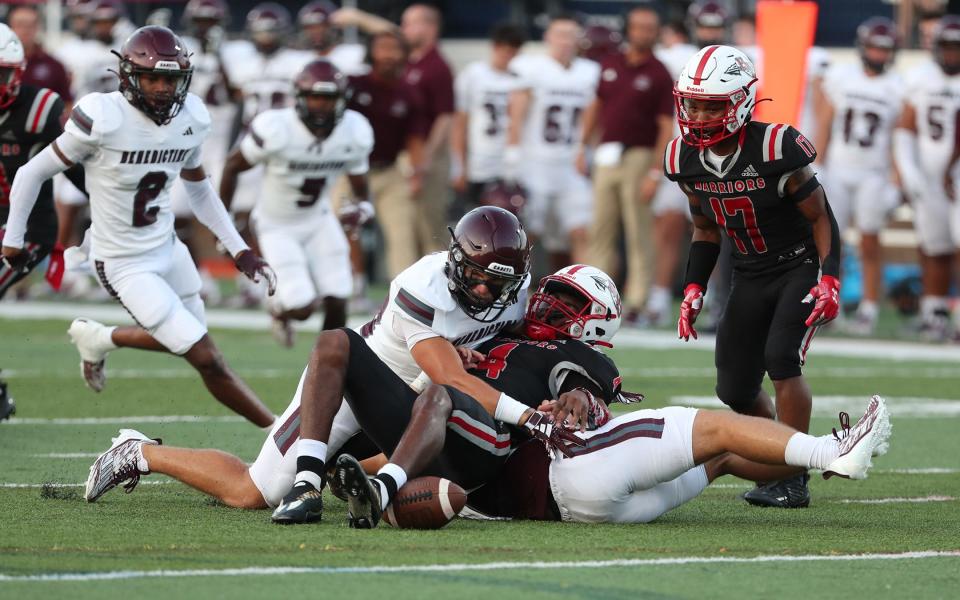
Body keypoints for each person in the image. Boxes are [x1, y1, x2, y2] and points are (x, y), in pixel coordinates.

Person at [84, 207, 534, 518]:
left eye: (496, 284)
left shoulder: (516, 293)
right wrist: (533, 420)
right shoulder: (424, 283)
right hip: (351, 392)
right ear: (457, 260)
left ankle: (348, 477)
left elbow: (506, 346)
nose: (481, 292)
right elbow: (447, 374)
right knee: (255, 492)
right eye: (474, 276)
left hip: (409, 403)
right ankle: (141, 453)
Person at [1, 26, 277, 429]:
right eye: (153, 77)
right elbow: (30, 173)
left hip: (168, 248)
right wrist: (12, 239)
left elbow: (198, 189)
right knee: (207, 357)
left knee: (188, 336)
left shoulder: (192, 117)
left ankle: (100, 338)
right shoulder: (102, 116)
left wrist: (240, 250)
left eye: (172, 79)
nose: (164, 88)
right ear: (129, 76)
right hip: (123, 261)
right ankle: (279, 434)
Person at [665, 45, 842, 508]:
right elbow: (704, 228)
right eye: (693, 103)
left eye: (712, 105)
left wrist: (830, 278)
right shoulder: (683, 158)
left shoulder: (775, 146)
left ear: (742, 101)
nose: (700, 115)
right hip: (749, 272)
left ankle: (794, 471)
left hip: (798, 266)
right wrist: (693, 286)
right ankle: (773, 456)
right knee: (735, 387)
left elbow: (822, 217)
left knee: (782, 358)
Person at [220, 60, 374, 347]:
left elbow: (361, 191)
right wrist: (223, 221)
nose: (321, 106)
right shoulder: (277, 129)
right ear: (300, 98)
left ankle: (329, 365)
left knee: (339, 298)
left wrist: (362, 209)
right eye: (315, 97)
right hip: (276, 225)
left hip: (319, 220)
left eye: (329, 98)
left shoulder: (354, 130)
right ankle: (279, 309)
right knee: (302, 308)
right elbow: (231, 166)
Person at [0, 24, 84, 421]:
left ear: (17, 71)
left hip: (27, 231)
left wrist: (106, 205)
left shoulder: (38, 109)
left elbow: (74, 168)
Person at [577, 5, 674, 324]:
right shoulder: (611, 63)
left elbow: (665, 126)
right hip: (608, 152)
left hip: (639, 155)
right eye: (639, 27)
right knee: (600, 228)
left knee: (638, 229)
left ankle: (636, 301)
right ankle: (595, 296)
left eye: (649, 28)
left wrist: (655, 171)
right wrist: (582, 146)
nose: (644, 33)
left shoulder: (659, 72)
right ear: (628, 30)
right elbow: (596, 106)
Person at [219, 3, 313, 306]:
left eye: (270, 31)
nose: (265, 38)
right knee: (244, 214)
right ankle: (251, 280)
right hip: (253, 145)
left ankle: (288, 280)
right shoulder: (240, 61)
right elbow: (236, 99)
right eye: (260, 31)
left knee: (282, 215)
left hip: (286, 148)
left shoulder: (299, 61)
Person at [816, 18, 903, 335]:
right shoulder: (842, 77)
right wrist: (819, 163)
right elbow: (825, 122)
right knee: (828, 241)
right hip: (839, 168)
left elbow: (898, 138)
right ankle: (826, 301)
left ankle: (868, 308)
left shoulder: (897, 86)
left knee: (869, 242)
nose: (879, 54)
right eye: (874, 47)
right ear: (863, 47)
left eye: (884, 49)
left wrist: (896, 179)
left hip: (873, 173)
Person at [507, 13, 599, 270]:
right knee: (527, 233)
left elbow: (594, 116)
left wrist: (586, 149)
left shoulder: (590, 72)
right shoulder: (531, 67)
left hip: (571, 163)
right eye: (560, 34)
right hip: (535, 162)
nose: (565, 41)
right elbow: (516, 111)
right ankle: (516, 292)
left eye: (571, 35)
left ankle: (585, 293)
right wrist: (513, 152)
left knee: (581, 231)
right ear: (548, 37)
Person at [894, 15, 960, 341]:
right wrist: (908, 170)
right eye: (947, 47)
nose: (952, 55)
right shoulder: (920, 78)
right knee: (934, 246)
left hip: (957, 175)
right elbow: (905, 128)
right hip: (930, 177)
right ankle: (934, 311)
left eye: (957, 48)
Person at [344, 30, 427, 280]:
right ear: (372, 52)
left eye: (395, 48)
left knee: (402, 234)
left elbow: (415, 137)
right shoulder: (353, 85)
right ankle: (352, 286)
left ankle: (405, 291)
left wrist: (416, 171)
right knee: (343, 226)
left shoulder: (409, 92)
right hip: (350, 169)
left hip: (389, 170)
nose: (389, 54)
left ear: (404, 55)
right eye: (383, 47)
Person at [450, 22, 526, 208]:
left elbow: (518, 122)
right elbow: (460, 123)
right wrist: (459, 165)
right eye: (505, 50)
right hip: (478, 161)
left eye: (513, 51)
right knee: (477, 225)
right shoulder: (473, 74)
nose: (508, 56)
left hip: (508, 164)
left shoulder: (520, 79)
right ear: (494, 46)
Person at [401, 4, 454, 255]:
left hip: (428, 156)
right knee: (406, 229)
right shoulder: (409, 61)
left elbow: (445, 118)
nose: (404, 29)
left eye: (411, 23)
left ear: (430, 27)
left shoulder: (437, 66)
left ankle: (438, 289)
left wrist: (425, 160)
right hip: (408, 153)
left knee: (430, 230)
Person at [6, 5, 73, 102]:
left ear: (37, 27)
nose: (25, 30)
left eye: (30, 25)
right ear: (10, 27)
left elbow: (66, 104)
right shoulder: (3, 63)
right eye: (20, 25)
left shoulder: (54, 66)